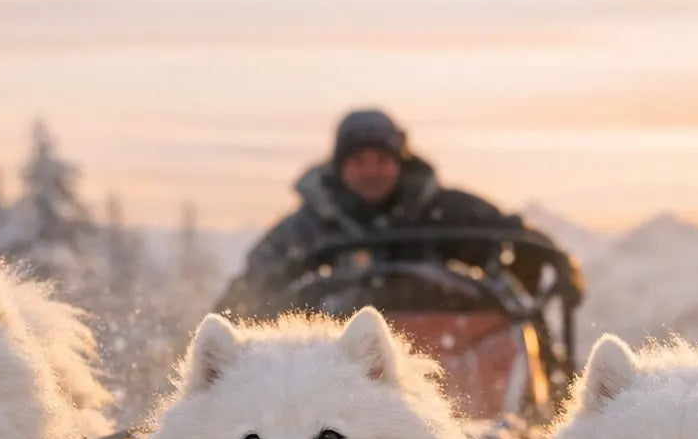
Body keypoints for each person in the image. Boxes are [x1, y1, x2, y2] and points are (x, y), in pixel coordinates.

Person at [215, 108, 575, 319]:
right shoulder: (306, 231)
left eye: (382, 160)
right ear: (340, 167)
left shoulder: (448, 213)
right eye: (359, 161)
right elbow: (255, 282)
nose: (372, 171)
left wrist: (555, 268)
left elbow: (516, 241)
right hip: (343, 378)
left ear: (399, 164)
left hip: (465, 367)